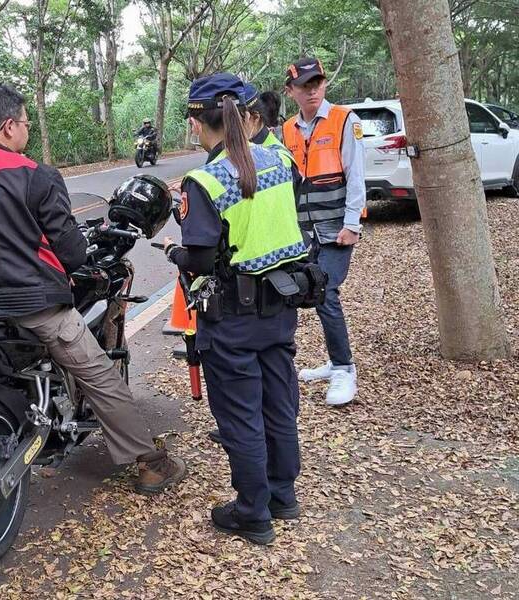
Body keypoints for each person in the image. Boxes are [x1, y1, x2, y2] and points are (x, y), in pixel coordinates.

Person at [0, 83, 187, 495]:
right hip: (29, 304)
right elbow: (71, 251)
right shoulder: (35, 175)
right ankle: (149, 462)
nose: (26, 131)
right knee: (99, 375)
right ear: (8, 127)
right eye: (25, 123)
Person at [163, 72, 308, 545]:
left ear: (195, 122)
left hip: (231, 318)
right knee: (279, 402)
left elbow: (201, 258)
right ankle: (283, 496)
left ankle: (252, 512)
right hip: (282, 308)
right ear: (246, 115)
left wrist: (173, 253)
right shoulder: (281, 158)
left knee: (241, 414)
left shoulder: (205, 179)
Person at [282, 57, 365, 407]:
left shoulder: (345, 120)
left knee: (326, 292)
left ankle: (345, 369)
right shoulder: (287, 129)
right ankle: (334, 361)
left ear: (325, 84)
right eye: (304, 85)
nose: (312, 89)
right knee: (306, 294)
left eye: (317, 82)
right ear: (291, 92)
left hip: (336, 228)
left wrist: (352, 224)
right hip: (303, 231)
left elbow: (356, 173)